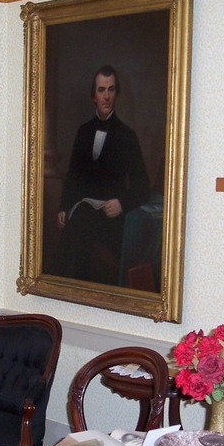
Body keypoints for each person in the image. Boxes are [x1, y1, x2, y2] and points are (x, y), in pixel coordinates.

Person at [56, 65, 151, 285]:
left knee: (79, 221)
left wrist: (121, 203)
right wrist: (63, 206)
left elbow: (143, 186)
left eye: (111, 90)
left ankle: (55, 280)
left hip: (111, 220)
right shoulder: (83, 132)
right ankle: (65, 283)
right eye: (101, 90)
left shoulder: (127, 136)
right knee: (81, 218)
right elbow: (73, 176)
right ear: (93, 96)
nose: (106, 96)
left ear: (116, 93)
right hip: (83, 213)